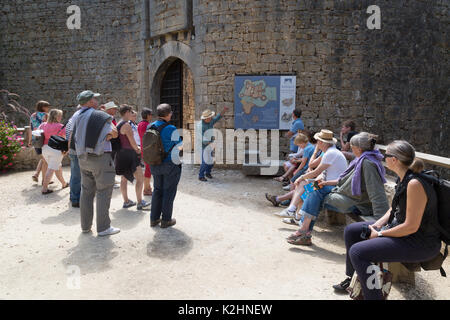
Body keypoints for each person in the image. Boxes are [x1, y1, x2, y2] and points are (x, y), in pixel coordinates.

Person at [333, 140, 441, 299]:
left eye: (386, 155)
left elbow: (411, 226)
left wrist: (381, 235)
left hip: (420, 242)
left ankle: (373, 296)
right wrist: (378, 224)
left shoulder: (415, 184)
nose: (383, 158)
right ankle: (353, 280)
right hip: (405, 233)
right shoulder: (404, 178)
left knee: (358, 252)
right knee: (352, 231)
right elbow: (394, 208)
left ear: (394, 160)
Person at [286, 129, 348, 245]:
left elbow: (315, 172)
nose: (317, 142)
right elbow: (314, 169)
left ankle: (303, 229)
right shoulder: (330, 152)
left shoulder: (330, 153)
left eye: (318, 141)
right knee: (305, 192)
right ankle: (301, 223)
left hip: (333, 185)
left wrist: (302, 177)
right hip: (328, 183)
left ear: (322, 143)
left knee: (311, 191)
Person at [71, 90, 120, 236]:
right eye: (94, 99)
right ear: (90, 101)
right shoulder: (100, 115)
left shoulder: (76, 116)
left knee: (86, 192)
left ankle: (85, 226)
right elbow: (114, 133)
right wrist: (110, 134)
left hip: (82, 158)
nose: (96, 101)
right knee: (104, 191)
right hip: (100, 157)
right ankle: (104, 227)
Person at [323, 132, 390, 219]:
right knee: (318, 191)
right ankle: (305, 221)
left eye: (352, 148)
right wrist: (326, 183)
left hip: (361, 205)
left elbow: (376, 191)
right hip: (355, 199)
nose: (351, 150)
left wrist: (380, 219)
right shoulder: (362, 159)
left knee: (319, 194)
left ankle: (305, 222)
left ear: (358, 149)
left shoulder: (367, 163)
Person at [149, 104, 183, 228]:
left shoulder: (150, 126)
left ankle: (154, 219)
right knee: (169, 191)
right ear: (168, 114)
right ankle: (166, 220)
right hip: (169, 164)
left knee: (157, 190)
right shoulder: (171, 128)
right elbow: (180, 145)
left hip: (154, 163)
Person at [115, 105, 150, 211]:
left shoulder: (118, 123)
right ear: (126, 112)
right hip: (130, 154)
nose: (132, 114)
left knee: (124, 179)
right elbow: (132, 141)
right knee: (140, 178)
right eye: (131, 112)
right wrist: (138, 149)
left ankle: (126, 201)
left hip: (121, 154)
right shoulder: (126, 125)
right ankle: (140, 202)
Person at [39, 109, 68, 194]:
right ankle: (44, 189)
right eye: (60, 116)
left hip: (44, 148)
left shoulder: (42, 125)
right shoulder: (60, 126)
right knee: (51, 169)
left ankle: (64, 183)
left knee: (57, 166)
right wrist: (66, 150)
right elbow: (64, 138)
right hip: (56, 149)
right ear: (56, 116)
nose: (61, 117)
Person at [199, 107, 228, 181]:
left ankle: (208, 173)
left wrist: (223, 111)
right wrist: (210, 143)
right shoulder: (200, 126)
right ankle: (201, 176)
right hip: (204, 146)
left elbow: (217, 117)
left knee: (211, 161)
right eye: (210, 117)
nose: (212, 118)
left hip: (210, 144)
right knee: (205, 162)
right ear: (206, 118)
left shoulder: (210, 121)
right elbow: (201, 137)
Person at [29, 101, 51, 184]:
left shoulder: (32, 115)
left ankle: (37, 174)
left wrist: (29, 140)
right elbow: (49, 127)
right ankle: (44, 180)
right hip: (44, 139)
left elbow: (30, 128)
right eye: (47, 106)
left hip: (36, 139)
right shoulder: (46, 115)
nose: (48, 108)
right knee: (45, 159)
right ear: (43, 107)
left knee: (43, 158)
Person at [66, 105, 83, 207]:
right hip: (76, 150)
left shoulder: (71, 119)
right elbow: (72, 136)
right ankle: (75, 198)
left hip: (72, 150)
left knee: (74, 175)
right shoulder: (77, 118)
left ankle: (73, 196)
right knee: (77, 175)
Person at [138, 108, 153, 196]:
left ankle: (148, 187)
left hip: (144, 149)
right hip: (148, 150)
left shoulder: (140, 124)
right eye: (151, 115)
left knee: (148, 169)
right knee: (148, 170)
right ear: (147, 115)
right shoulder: (147, 125)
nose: (151, 116)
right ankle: (146, 189)